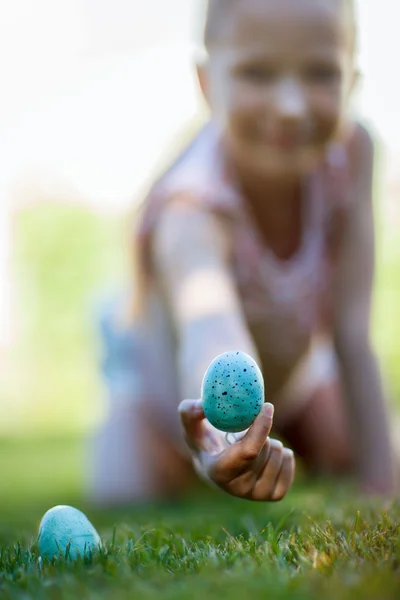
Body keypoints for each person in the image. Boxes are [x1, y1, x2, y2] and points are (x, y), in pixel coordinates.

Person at [87, 0, 396, 506]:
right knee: (127, 490)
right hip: (166, 393)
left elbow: (352, 332)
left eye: (321, 73)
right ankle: (139, 423)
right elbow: (210, 329)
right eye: (257, 73)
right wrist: (222, 438)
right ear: (207, 85)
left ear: (353, 81)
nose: (291, 106)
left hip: (294, 381)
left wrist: (383, 486)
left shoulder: (352, 154)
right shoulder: (192, 205)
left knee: (365, 443)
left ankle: (289, 431)